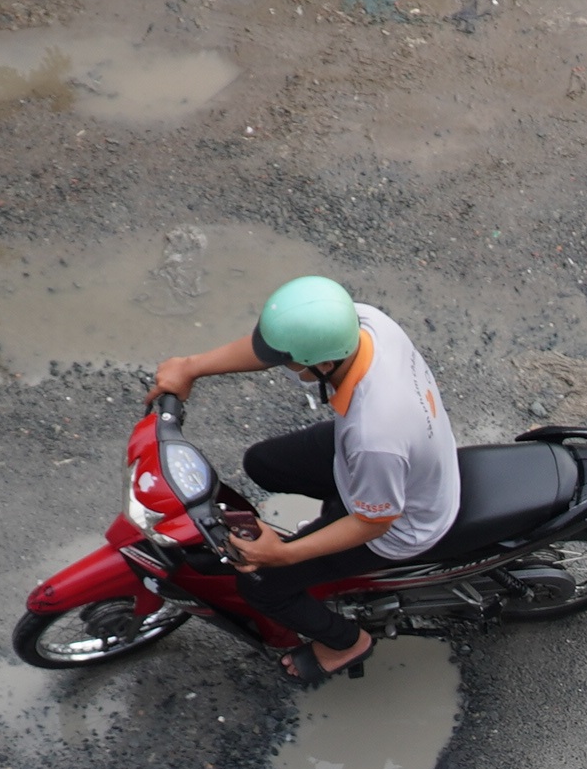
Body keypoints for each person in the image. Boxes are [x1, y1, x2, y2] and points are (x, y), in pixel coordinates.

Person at [151, 276, 459, 687]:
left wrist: (283, 555)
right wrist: (192, 367)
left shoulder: (374, 436)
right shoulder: (363, 324)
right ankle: (315, 533)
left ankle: (347, 642)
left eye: (290, 362)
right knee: (263, 463)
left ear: (324, 365)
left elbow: (375, 522)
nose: (283, 366)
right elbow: (271, 349)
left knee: (261, 584)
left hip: (398, 525)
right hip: (385, 461)